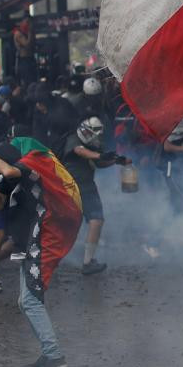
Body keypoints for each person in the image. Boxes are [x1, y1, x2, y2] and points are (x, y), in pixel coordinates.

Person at [0, 135, 82, 367]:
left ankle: (54, 356)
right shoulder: (13, 174)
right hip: (29, 242)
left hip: (43, 239)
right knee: (26, 301)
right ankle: (49, 353)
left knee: (31, 302)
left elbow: (11, 171)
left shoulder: (29, 165)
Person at [62, 117, 127, 275]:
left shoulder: (93, 144)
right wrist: (99, 156)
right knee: (93, 220)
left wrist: (115, 161)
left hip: (85, 185)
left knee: (95, 220)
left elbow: (99, 163)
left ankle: (87, 261)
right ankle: (86, 262)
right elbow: (80, 151)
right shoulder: (74, 139)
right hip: (76, 185)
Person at [13, 15, 37, 86]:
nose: (29, 24)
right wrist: (30, 32)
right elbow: (26, 44)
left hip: (30, 58)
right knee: (27, 81)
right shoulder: (18, 33)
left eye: (30, 22)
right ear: (22, 22)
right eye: (27, 22)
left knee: (33, 80)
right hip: (24, 60)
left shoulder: (28, 33)